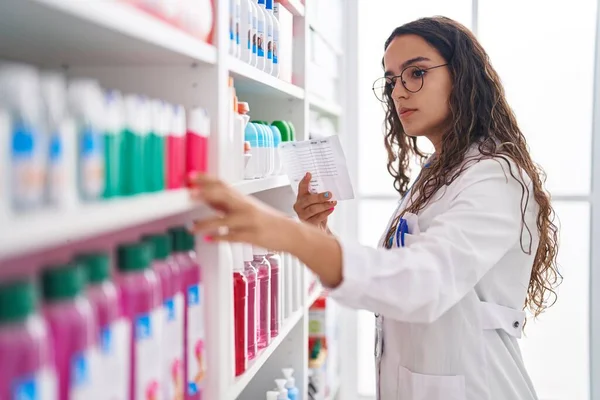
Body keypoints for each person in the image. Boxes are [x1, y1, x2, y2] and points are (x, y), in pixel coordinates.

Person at [189, 16, 560, 400]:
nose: (399, 92)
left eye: (416, 73)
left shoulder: (494, 176)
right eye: (391, 80)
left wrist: (287, 235)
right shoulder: (437, 172)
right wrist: (317, 231)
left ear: (463, 76)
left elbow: (422, 282)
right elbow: (392, 281)